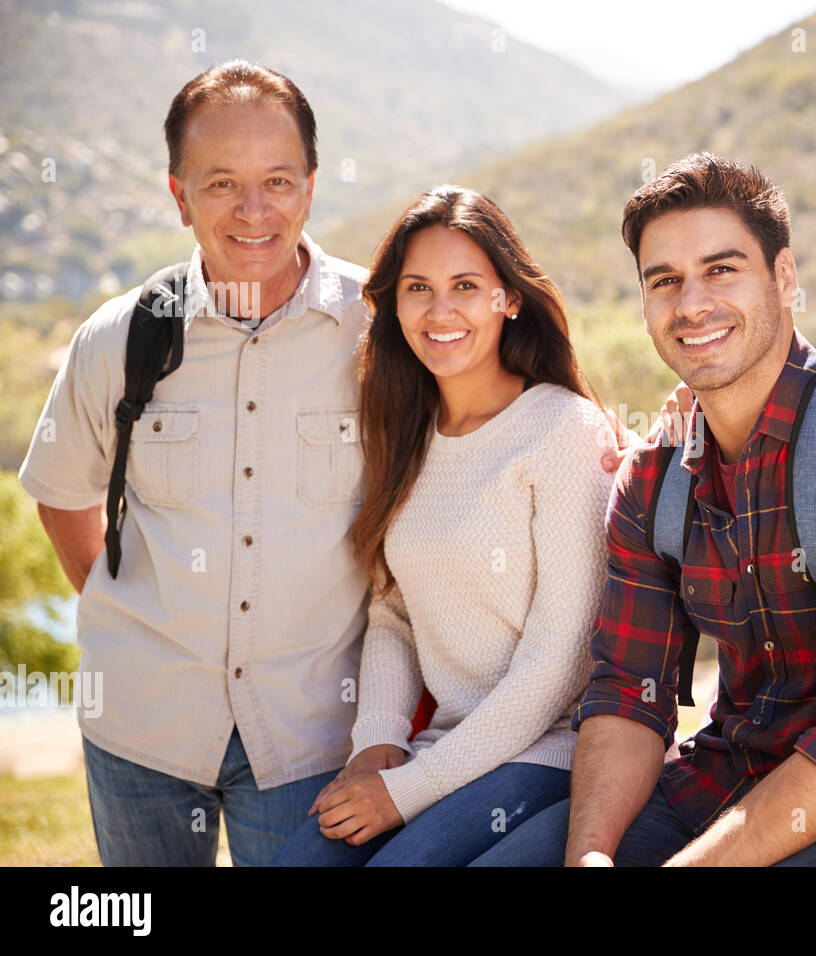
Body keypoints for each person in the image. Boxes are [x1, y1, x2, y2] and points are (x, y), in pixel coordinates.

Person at [471, 153, 816, 867]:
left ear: (785, 277)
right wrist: (591, 855)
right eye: (664, 281)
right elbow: (628, 695)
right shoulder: (655, 478)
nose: (692, 304)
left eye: (722, 270)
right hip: (713, 782)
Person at [18, 60, 379, 866]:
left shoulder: (379, 331)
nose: (254, 211)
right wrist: (135, 621)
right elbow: (60, 493)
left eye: (278, 181)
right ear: (179, 195)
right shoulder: (116, 338)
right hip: (141, 731)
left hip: (313, 737)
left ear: (311, 187)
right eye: (221, 184)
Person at [272, 186, 616, 866]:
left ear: (509, 297)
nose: (440, 310)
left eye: (466, 285)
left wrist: (406, 791)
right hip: (444, 752)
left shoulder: (561, 430)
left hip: (552, 749)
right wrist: (378, 742)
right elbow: (394, 612)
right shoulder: (405, 436)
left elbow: (561, 658)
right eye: (418, 288)